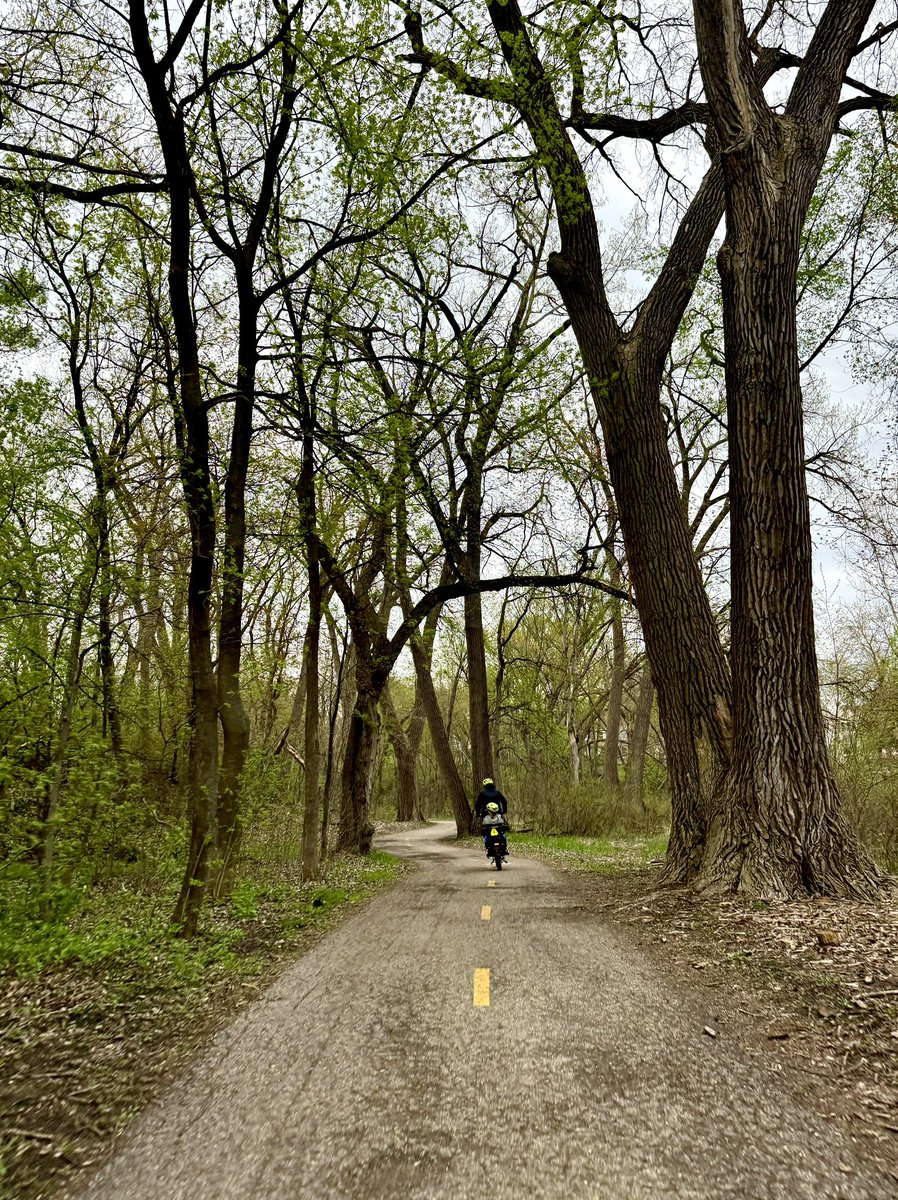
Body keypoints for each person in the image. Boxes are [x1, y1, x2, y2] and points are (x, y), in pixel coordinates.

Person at [474, 778, 509, 857]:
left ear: (484, 785)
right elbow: (504, 801)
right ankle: (505, 847)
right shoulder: (497, 792)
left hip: (486, 815)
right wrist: (504, 811)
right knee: (501, 831)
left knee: (486, 832)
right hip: (498, 815)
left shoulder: (482, 793)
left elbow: (478, 804)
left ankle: (487, 848)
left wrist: (478, 813)